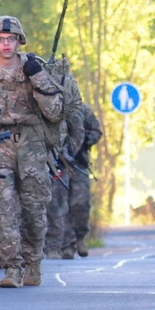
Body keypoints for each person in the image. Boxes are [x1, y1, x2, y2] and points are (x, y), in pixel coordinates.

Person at [0, 16, 64, 286]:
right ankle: (13, 268)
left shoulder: (34, 68)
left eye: (11, 39)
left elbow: (54, 112)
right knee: (2, 204)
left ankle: (33, 262)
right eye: (0, 39)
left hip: (31, 142)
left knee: (33, 208)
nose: (6, 44)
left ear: (19, 41)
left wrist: (38, 77)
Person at [52, 102, 103, 258]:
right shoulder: (52, 106)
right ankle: (67, 245)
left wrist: (81, 142)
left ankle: (80, 237)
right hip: (58, 164)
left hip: (78, 164)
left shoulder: (82, 109)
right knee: (61, 205)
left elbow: (96, 131)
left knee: (80, 204)